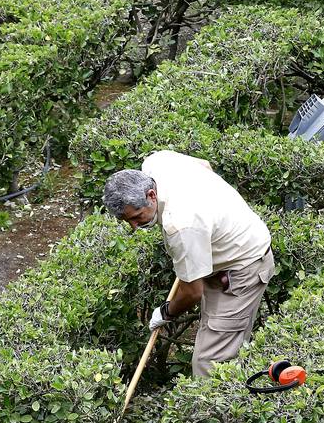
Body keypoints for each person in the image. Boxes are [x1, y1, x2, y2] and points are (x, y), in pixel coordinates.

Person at [102, 150, 274, 377]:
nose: (134, 227)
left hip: (244, 267)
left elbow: (192, 292)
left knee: (210, 365)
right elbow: (205, 164)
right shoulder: (156, 163)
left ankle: (218, 410)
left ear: (151, 195)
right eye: (127, 221)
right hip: (227, 249)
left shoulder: (181, 225)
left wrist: (166, 312)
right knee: (220, 344)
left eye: (137, 217)